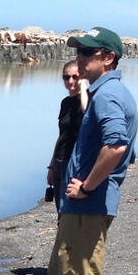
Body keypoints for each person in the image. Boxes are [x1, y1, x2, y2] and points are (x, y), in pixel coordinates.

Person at [37, 27, 138, 275]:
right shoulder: (103, 94)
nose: (79, 60)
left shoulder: (109, 95)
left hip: (89, 205)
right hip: (79, 206)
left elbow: (118, 146)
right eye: (78, 53)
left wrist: (87, 186)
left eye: (87, 54)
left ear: (108, 58)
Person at [46, 60, 87, 211]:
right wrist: (51, 166)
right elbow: (61, 135)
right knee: (60, 208)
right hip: (60, 160)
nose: (70, 81)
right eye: (66, 77)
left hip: (75, 161)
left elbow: (86, 112)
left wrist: (83, 87)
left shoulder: (88, 99)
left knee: (68, 207)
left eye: (75, 77)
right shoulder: (65, 102)